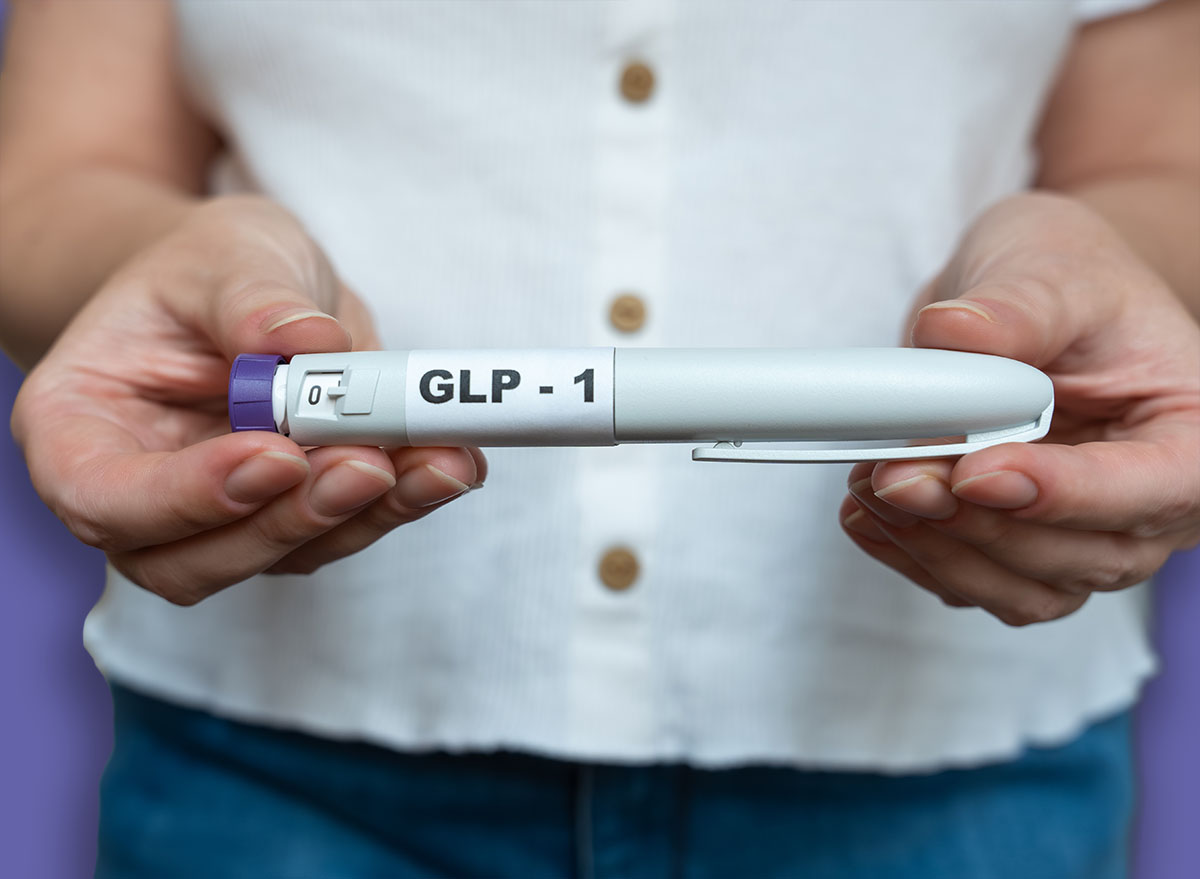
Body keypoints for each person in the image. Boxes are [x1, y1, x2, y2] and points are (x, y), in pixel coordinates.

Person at [1, 1, 1197, 877]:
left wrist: (1101, 263)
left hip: (953, 764)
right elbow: (57, 175)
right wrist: (164, 276)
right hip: (269, 765)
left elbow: (1160, 165)